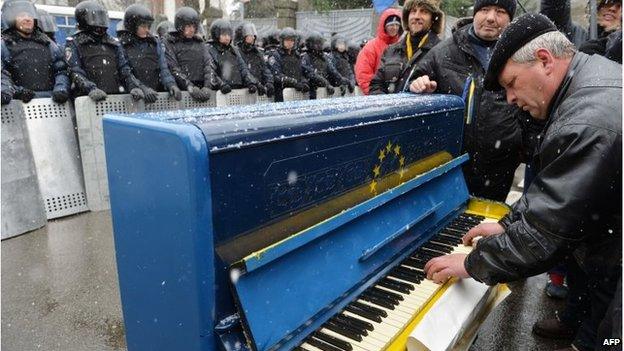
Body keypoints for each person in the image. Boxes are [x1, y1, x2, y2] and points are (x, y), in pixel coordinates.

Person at [424, 14, 622, 351]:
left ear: (545, 61)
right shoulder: (587, 84)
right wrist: (508, 225)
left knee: (613, 338)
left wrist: (474, 263)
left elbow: (548, 233)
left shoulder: (588, 120)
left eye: (512, 83)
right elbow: (556, 189)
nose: (511, 98)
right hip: (610, 241)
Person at [408, 0, 523, 202]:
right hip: (452, 164)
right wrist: (417, 85)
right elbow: (411, 84)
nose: (490, 17)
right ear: (475, 12)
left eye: (500, 11)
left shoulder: (521, 54)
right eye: (485, 9)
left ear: (510, 19)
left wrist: (521, 146)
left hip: (500, 168)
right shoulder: (444, 51)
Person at [65, 0, 144, 102]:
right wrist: (90, 89)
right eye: (96, 19)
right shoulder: (75, 43)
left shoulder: (113, 43)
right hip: (88, 100)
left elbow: (124, 68)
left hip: (114, 98)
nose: (100, 25)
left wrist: (133, 86)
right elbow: (75, 71)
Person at [1, 0, 70, 104]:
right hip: (19, 108)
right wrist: (16, 92)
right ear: (10, 19)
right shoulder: (4, 46)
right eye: (22, 15)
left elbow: (61, 70)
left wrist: (61, 88)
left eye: (30, 15)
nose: (28, 19)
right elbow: (2, 75)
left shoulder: (48, 44)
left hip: (51, 105)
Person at [370, 0, 443, 94]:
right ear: (406, 17)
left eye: (424, 11)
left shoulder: (441, 51)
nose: (417, 16)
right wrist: (386, 106)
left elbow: (448, 91)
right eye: (413, 11)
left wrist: (430, 91)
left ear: (433, 19)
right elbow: (376, 85)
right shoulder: (391, 50)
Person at [119, 4, 181, 103]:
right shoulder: (123, 45)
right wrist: (142, 88)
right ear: (132, 25)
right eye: (143, 26)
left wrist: (171, 84)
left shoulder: (155, 43)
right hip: (134, 98)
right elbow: (126, 72)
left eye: (148, 26)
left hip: (155, 95)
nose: (147, 30)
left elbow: (163, 68)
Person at [163, 7, 216, 102]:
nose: (192, 30)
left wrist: (208, 86)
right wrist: (189, 86)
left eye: (194, 26)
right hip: (182, 94)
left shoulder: (200, 43)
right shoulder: (170, 43)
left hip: (202, 90)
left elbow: (209, 65)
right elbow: (173, 68)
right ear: (180, 26)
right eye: (188, 26)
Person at [355, 8, 402, 95]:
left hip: (397, 97)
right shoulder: (371, 47)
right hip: (377, 96)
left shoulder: (402, 45)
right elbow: (363, 74)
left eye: (397, 25)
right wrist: (377, 95)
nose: (394, 28)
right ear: (384, 26)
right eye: (391, 25)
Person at [206, 19, 258, 95]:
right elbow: (210, 71)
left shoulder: (233, 50)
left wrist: (250, 82)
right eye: (224, 35)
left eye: (229, 35)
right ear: (216, 35)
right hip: (220, 93)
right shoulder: (210, 49)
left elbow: (243, 68)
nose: (227, 38)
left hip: (237, 90)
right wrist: (221, 84)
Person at [268, 27, 311, 102]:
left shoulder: (296, 55)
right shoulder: (275, 55)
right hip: (281, 94)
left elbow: (301, 72)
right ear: (282, 41)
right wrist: (293, 82)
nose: (290, 43)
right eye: (287, 40)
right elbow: (277, 75)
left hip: (296, 92)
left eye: (292, 40)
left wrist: (304, 82)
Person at [302, 31, 348, 98]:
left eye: (321, 43)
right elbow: (311, 74)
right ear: (311, 44)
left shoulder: (324, 57)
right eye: (318, 43)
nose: (320, 45)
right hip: (311, 92)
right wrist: (326, 84)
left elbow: (333, 71)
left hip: (323, 92)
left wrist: (341, 81)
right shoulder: (305, 57)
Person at [234, 22, 274, 98]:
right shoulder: (236, 52)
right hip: (243, 91)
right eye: (249, 35)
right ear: (242, 37)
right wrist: (252, 83)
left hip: (258, 90)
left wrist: (269, 82)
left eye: (253, 35)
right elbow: (242, 71)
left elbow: (265, 69)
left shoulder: (258, 52)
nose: (252, 38)